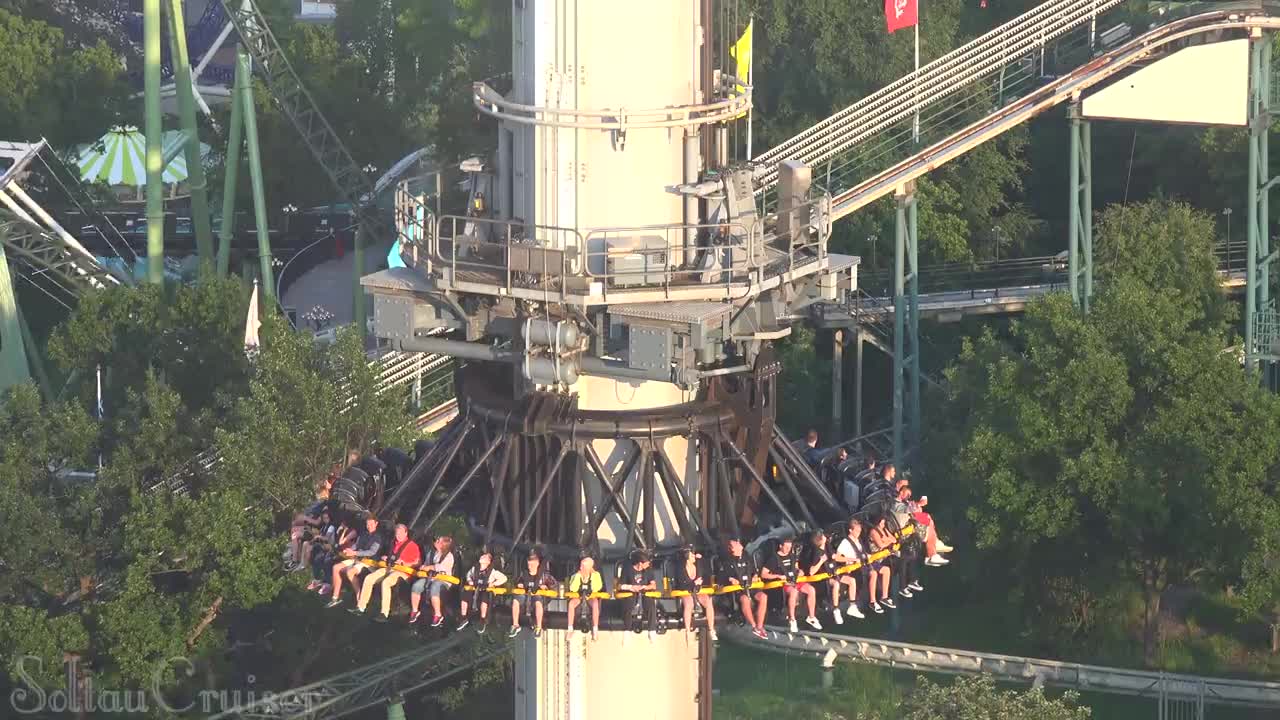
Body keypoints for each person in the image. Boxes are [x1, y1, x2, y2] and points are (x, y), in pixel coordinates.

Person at [352, 523, 422, 622]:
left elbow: (418, 562)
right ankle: (361, 607)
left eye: (401, 533)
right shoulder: (394, 543)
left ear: (406, 533)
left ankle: (384, 613)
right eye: (397, 533)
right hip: (390, 568)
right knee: (369, 578)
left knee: (386, 582)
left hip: (403, 572)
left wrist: (405, 563)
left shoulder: (412, 545)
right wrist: (385, 558)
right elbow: (392, 557)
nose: (398, 535)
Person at [762, 536, 820, 633]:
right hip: (783, 583)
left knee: (811, 590)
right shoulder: (773, 559)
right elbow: (763, 574)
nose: (788, 549)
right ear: (781, 546)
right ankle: (792, 619)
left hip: (795, 580)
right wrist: (778, 576)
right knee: (794, 592)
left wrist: (800, 571)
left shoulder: (792, 556)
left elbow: (796, 567)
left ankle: (811, 617)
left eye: (790, 547)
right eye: (786, 547)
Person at [326, 515, 382, 607]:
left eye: (371, 524)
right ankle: (335, 597)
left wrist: (354, 552)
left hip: (368, 562)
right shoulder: (363, 534)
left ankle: (359, 597)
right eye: (367, 524)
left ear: (376, 524)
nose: (369, 526)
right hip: (356, 558)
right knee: (336, 567)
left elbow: (372, 552)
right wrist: (349, 550)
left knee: (350, 572)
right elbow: (356, 545)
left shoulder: (378, 537)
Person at [720, 537, 767, 639]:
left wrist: (755, 575)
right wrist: (731, 579)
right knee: (745, 599)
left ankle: (760, 626)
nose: (738, 543)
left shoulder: (747, 557)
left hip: (751, 586)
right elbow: (724, 576)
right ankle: (754, 626)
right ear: (732, 549)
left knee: (763, 596)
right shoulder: (728, 561)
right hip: (738, 590)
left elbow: (754, 571)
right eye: (735, 543)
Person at [409, 535, 456, 626]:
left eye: (438, 540)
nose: (436, 541)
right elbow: (426, 564)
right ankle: (415, 610)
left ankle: (438, 614)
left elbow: (440, 567)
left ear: (443, 545)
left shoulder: (449, 556)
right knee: (417, 585)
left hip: (443, 580)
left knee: (435, 587)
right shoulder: (431, 553)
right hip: (429, 578)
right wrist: (423, 567)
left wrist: (428, 567)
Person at [510, 548, 556, 638]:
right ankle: (515, 625)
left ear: (538, 564)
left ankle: (538, 627)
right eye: (529, 565)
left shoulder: (544, 576)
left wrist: (546, 587)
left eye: (532, 565)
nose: (529, 567)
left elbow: (554, 584)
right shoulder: (524, 573)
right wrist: (519, 584)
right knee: (516, 600)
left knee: (538, 603)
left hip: (537, 596)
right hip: (525, 595)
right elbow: (517, 581)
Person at [458, 549, 507, 633]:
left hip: (486, 590)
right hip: (475, 589)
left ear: (488, 561)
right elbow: (468, 575)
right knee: (465, 595)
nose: (482, 557)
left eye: (484, 557)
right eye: (482, 556)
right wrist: (470, 581)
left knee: (485, 598)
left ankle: (483, 619)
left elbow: (504, 578)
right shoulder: (474, 568)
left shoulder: (493, 572)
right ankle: (463, 617)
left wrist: (494, 583)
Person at [801, 530, 844, 626]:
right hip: (820, 581)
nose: (826, 537)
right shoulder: (816, 553)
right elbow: (812, 571)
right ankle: (835, 609)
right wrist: (821, 561)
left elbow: (834, 556)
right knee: (836, 584)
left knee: (842, 582)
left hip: (829, 575)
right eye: (823, 536)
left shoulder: (827, 546)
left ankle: (838, 607)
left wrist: (852, 559)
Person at [617, 550, 659, 641]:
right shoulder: (627, 569)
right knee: (629, 603)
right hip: (631, 592)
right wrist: (631, 587)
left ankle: (651, 630)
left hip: (644, 592)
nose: (648, 565)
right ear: (640, 563)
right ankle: (627, 630)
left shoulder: (648, 570)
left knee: (650, 604)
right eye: (646, 563)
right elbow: (620, 585)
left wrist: (645, 587)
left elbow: (653, 585)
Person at [831, 518, 868, 619]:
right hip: (848, 569)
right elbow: (837, 557)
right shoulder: (845, 542)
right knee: (853, 580)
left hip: (858, 567)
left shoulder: (858, 541)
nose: (859, 533)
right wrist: (851, 559)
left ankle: (855, 603)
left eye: (860, 531)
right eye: (857, 531)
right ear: (850, 530)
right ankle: (851, 605)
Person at [678, 547, 717, 641]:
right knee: (689, 604)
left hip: (698, 589)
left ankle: (711, 629)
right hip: (686, 590)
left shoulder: (698, 563)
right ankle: (687, 630)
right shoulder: (681, 568)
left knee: (708, 603)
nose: (694, 556)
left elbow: (707, 571)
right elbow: (681, 583)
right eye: (692, 555)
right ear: (687, 558)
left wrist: (701, 559)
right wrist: (694, 583)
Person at [566, 555, 604, 639]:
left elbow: (597, 588)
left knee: (595, 603)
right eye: (580, 565)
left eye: (583, 566)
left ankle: (595, 629)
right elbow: (573, 588)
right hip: (578, 597)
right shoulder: (576, 575)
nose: (580, 567)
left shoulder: (596, 575)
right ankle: (570, 629)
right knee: (571, 604)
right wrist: (578, 576)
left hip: (590, 597)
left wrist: (593, 575)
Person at [867, 516, 899, 614]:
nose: (883, 525)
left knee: (887, 570)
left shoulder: (884, 530)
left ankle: (884, 597)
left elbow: (894, 540)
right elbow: (880, 545)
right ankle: (872, 601)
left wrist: (887, 539)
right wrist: (886, 541)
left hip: (881, 558)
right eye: (881, 523)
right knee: (875, 574)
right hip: (873, 558)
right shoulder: (873, 531)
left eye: (883, 523)